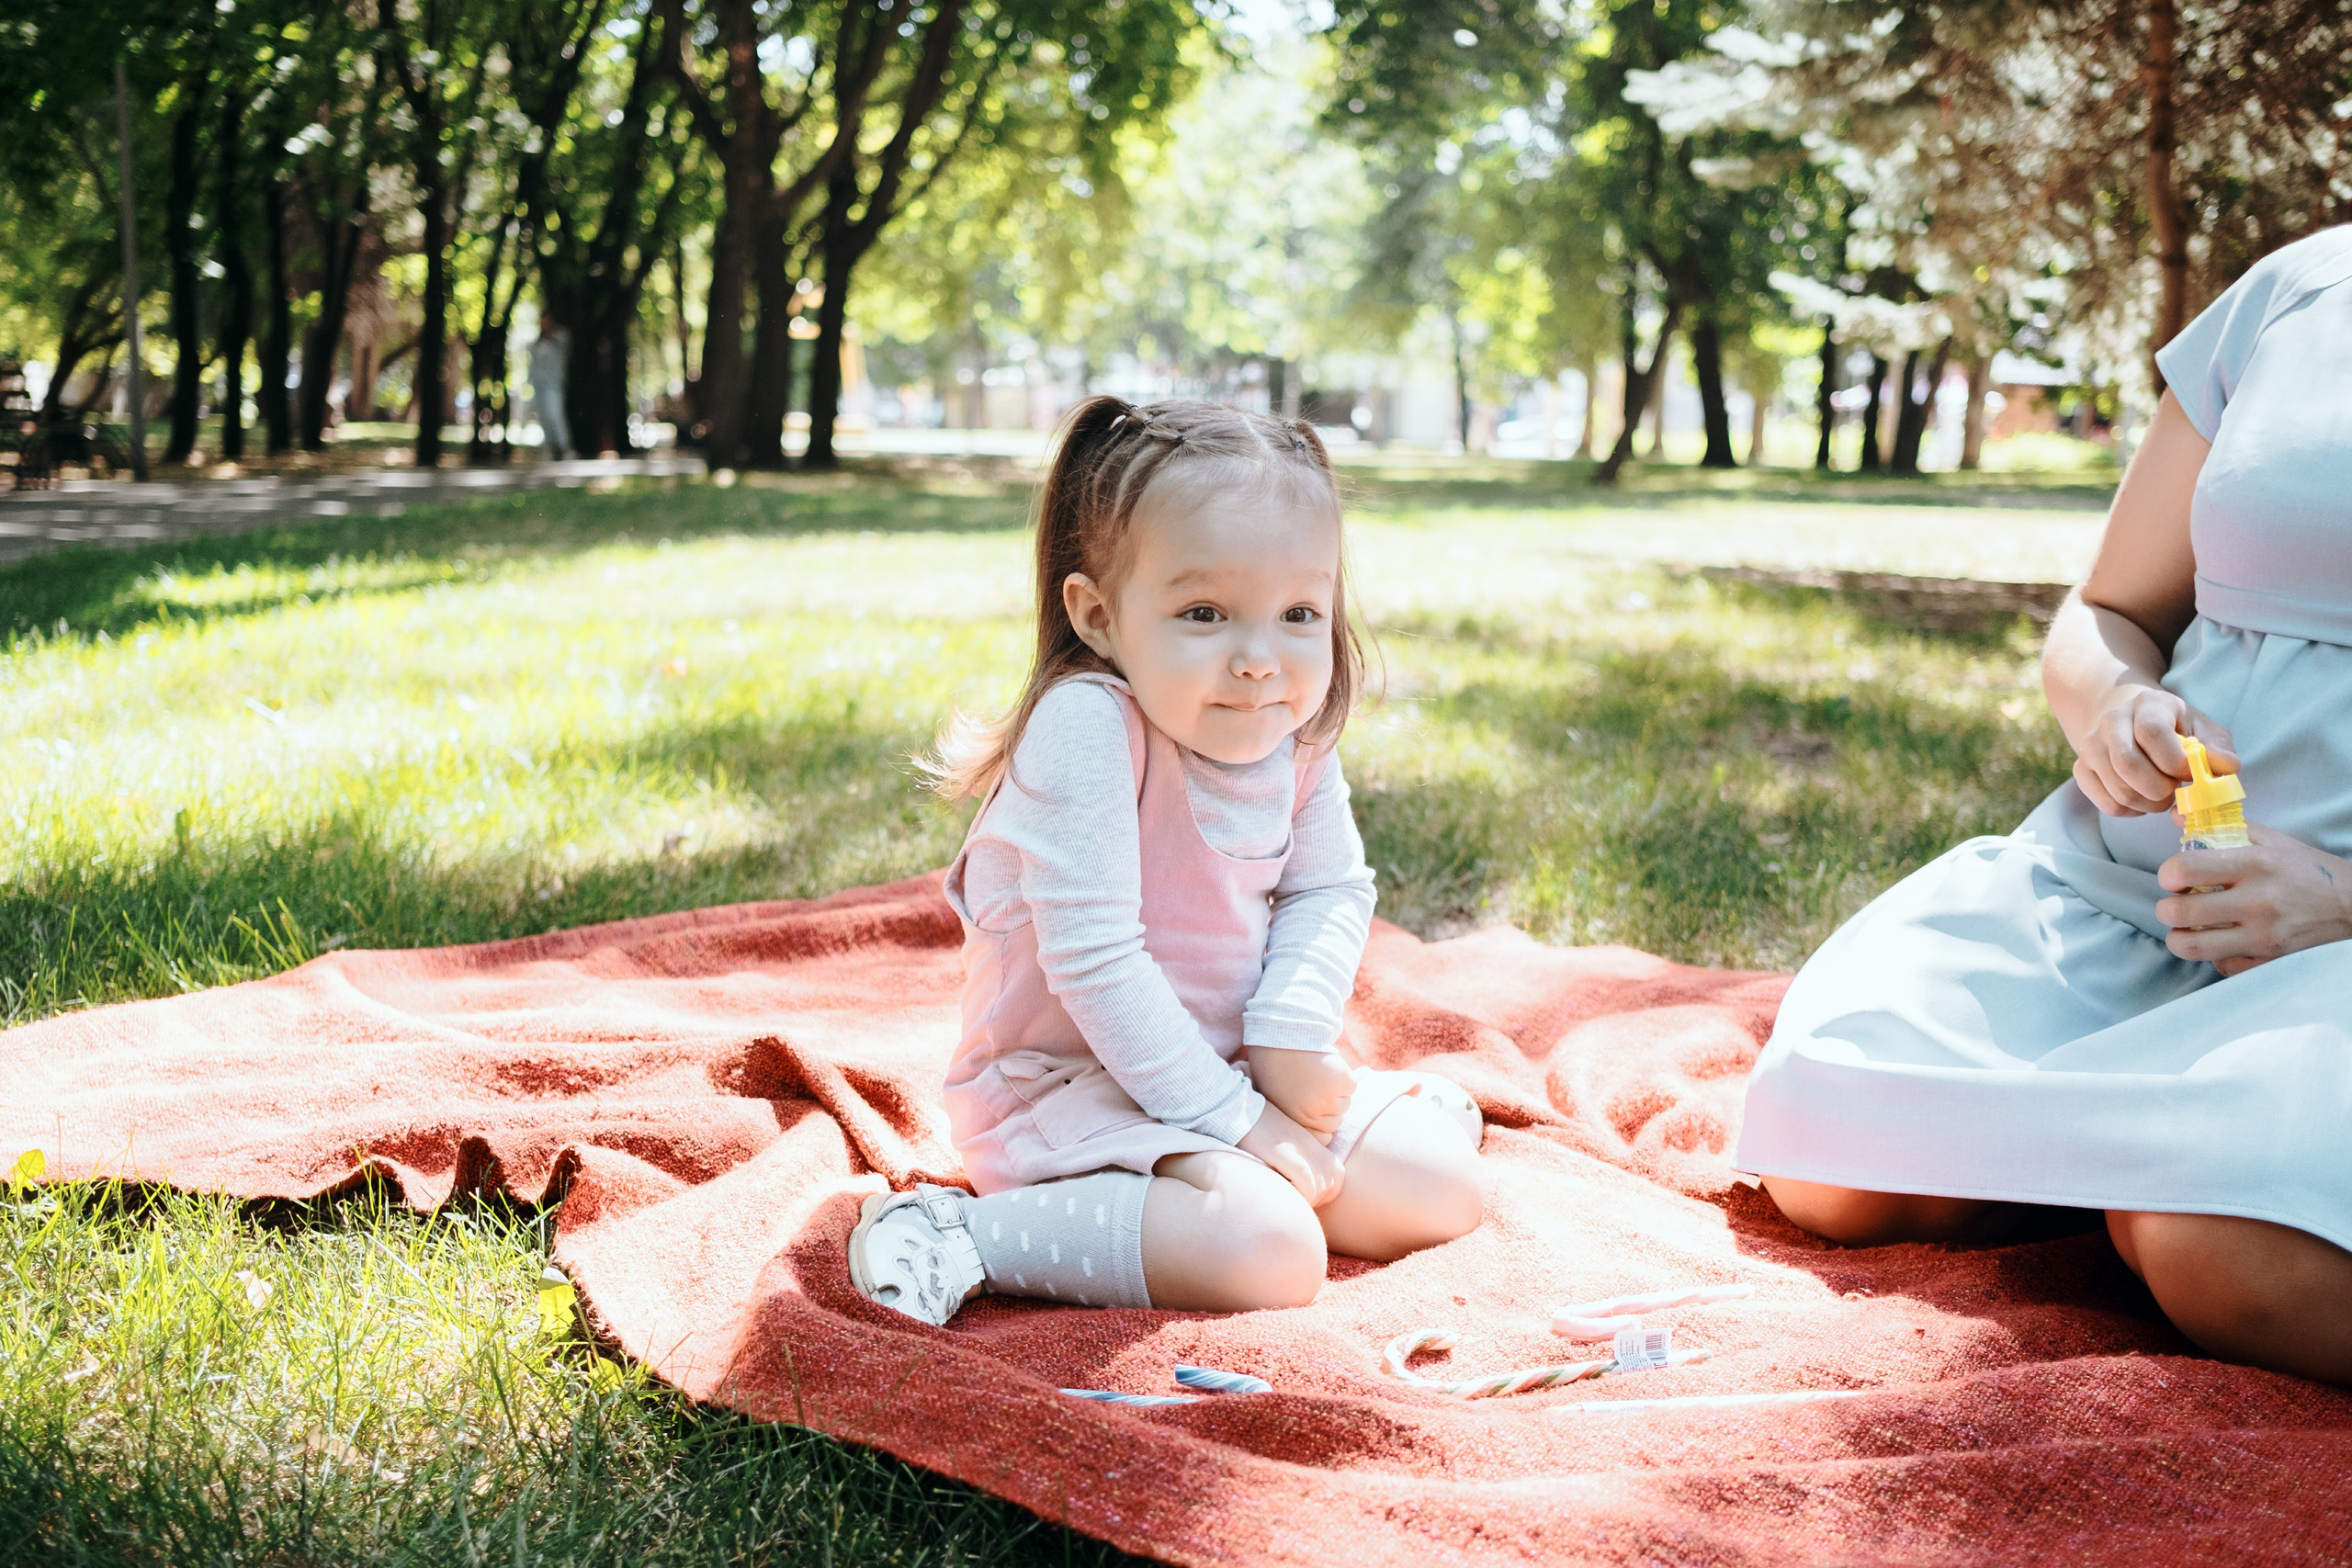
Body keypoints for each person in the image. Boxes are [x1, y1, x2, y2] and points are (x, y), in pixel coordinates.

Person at [1737, 223, 2352, 1384]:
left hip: (2336, 959)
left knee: (2227, 1249)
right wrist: (2114, 704)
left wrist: (2339, 908)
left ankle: (2174, 1174)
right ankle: (2144, 1156)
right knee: (1829, 1154)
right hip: (2124, 896)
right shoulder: (2295, 290)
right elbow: (2105, 609)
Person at [849, 397, 1486, 1325]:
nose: (1260, 660)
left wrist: (1287, 1042)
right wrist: (1239, 1123)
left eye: (1300, 611)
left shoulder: (1289, 732)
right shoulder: (1087, 727)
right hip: (1067, 1092)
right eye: (1204, 612)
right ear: (1100, 616)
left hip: (1230, 1068)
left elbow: (1329, 888)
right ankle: (962, 1232)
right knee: (1267, 1252)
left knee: (1442, 1189)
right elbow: (1094, 959)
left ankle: (1342, 1130)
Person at [528, 318, 571, 460]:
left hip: (553, 384)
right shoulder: (537, 342)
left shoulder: (559, 338)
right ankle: (549, 447)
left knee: (555, 413)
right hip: (539, 384)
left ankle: (564, 447)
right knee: (543, 416)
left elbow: (565, 341)